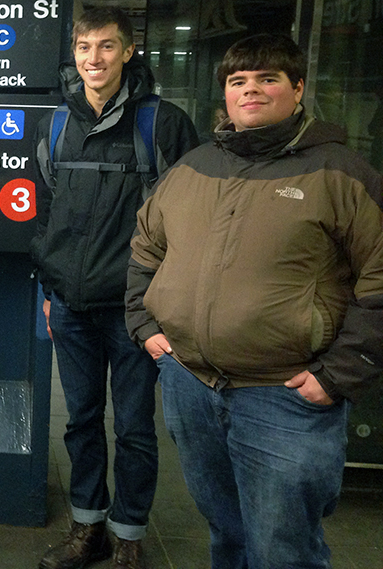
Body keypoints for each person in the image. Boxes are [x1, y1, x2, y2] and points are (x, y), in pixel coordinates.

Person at [126, 33, 383, 569]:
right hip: (190, 381)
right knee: (227, 533)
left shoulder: (341, 174)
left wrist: (341, 371)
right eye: (239, 81)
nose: (252, 91)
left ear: (298, 89)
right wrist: (144, 322)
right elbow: (146, 246)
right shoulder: (194, 167)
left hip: (285, 394)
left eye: (268, 79)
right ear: (225, 95)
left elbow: (378, 281)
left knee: (283, 548)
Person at [31, 7, 199, 569]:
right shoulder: (57, 122)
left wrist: (163, 302)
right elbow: (46, 206)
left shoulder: (162, 124)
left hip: (134, 310)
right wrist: (51, 279)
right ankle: (88, 529)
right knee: (80, 422)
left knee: (133, 428)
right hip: (72, 305)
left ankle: (128, 535)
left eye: (106, 47)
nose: (93, 59)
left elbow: (191, 219)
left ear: (129, 52)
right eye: (83, 48)